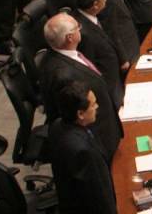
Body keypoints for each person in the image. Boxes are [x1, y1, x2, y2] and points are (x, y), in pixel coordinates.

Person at [37, 14, 122, 161]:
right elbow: (76, 117)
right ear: (69, 37)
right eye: (78, 27)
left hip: (105, 124)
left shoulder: (64, 54)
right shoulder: (62, 75)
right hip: (98, 138)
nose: (80, 29)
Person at [48, 81, 118, 214]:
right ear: (80, 114)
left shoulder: (57, 125)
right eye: (93, 104)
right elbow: (99, 196)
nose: (97, 107)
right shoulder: (83, 151)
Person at [73, 0, 123, 105]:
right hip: (107, 86)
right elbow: (91, 67)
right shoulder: (83, 34)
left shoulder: (91, 16)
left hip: (114, 78)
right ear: (95, 5)